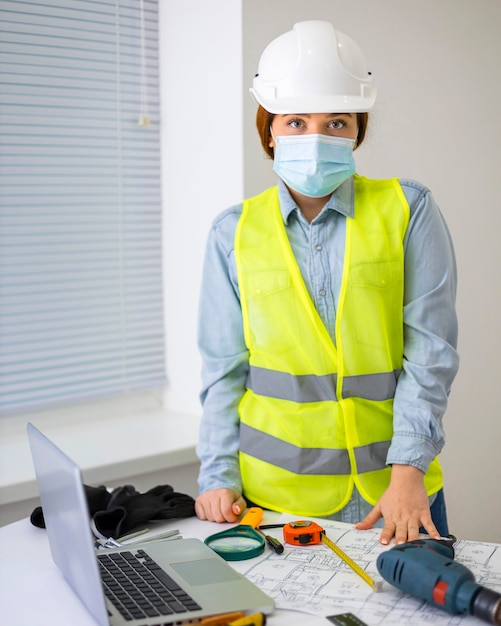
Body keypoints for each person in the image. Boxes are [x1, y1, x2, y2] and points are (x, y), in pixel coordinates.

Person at [194, 20, 459, 545]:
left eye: (336, 121)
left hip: (397, 492)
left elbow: (430, 353)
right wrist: (217, 477)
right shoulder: (233, 233)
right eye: (295, 121)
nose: (316, 137)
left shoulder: (409, 210)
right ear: (269, 129)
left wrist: (407, 471)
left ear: (358, 129)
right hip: (277, 503)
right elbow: (223, 372)